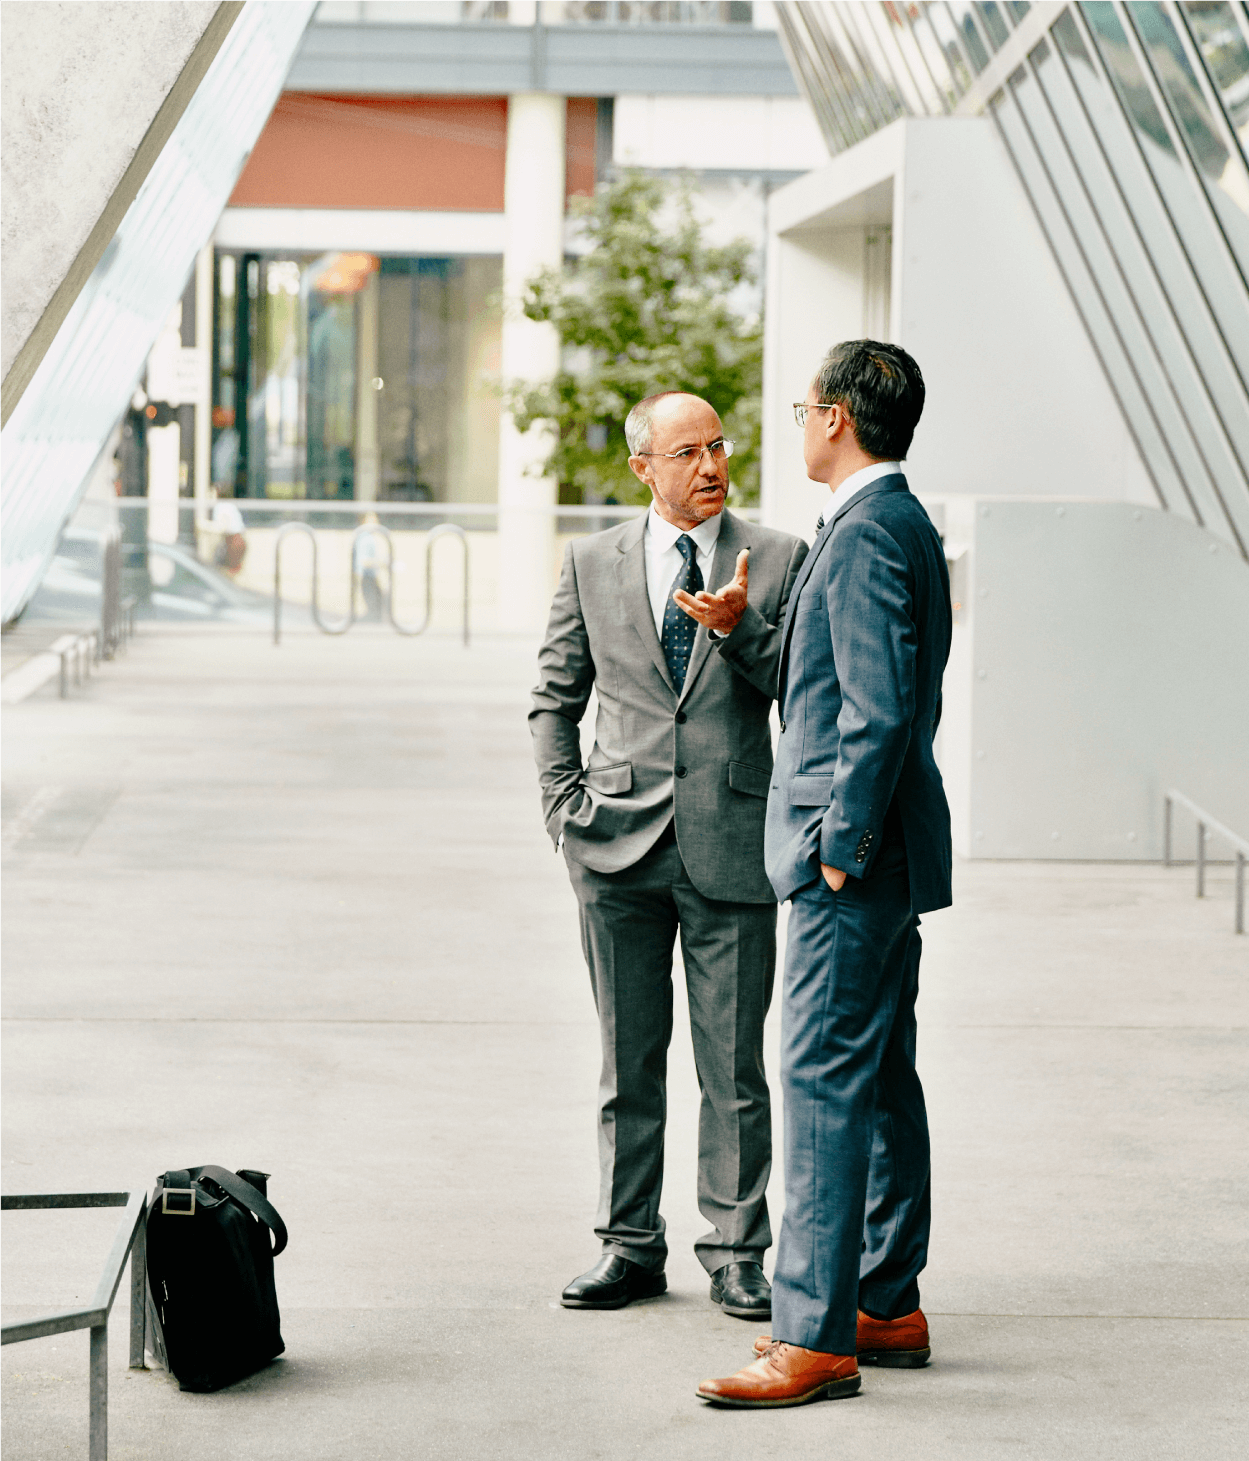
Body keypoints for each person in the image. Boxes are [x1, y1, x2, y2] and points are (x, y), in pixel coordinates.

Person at [697, 341, 952, 1407]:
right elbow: (836, 682)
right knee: (881, 1076)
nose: (797, 422)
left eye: (805, 407)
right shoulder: (889, 522)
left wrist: (836, 856)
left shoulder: (863, 533)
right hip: (885, 862)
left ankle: (810, 1335)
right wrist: (748, 631)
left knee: (819, 1085)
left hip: (849, 866)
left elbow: (879, 712)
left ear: (839, 419)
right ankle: (884, 1301)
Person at [531, 391, 808, 1320]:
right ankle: (627, 1245)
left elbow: (800, 694)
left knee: (732, 1068)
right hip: (615, 849)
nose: (710, 465)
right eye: (686, 451)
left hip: (732, 845)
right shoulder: (591, 560)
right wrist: (564, 813)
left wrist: (739, 629)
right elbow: (553, 697)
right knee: (628, 1062)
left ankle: (736, 1253)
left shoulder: (774, 558)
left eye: (718, 446)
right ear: (643, 467)